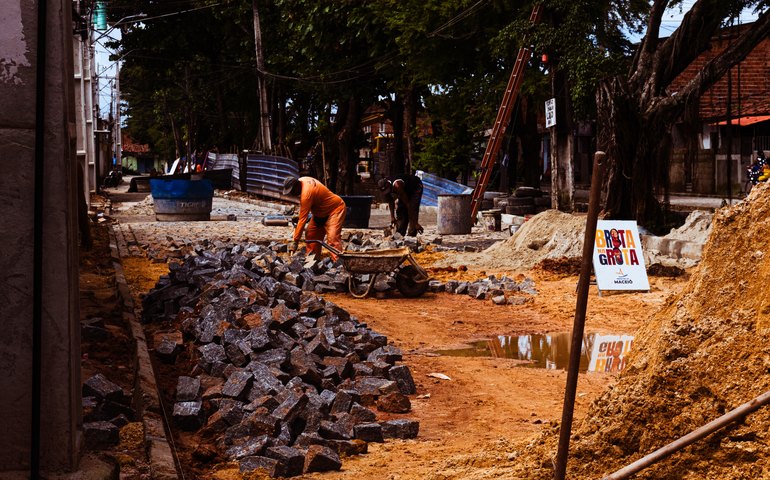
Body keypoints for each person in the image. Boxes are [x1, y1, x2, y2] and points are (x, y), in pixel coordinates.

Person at [283, 176, 346, 260]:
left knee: (332, 238)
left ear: (297, 186)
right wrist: (300, 215)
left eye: (292, 191)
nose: (292, 194)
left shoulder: (306, 193)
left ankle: (339, 263)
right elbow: (308, 207)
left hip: (334, 209)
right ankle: (312, 261)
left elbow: (302, 220)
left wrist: (295, 241)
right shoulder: (303, 179)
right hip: (320, 213)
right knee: (311, 235)